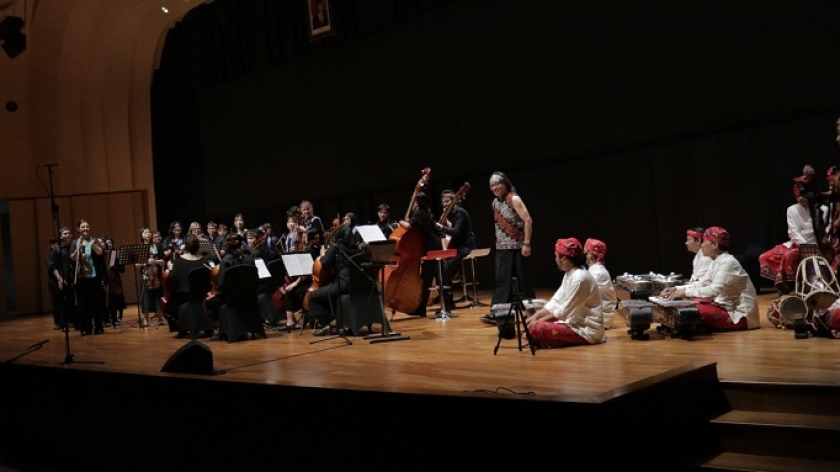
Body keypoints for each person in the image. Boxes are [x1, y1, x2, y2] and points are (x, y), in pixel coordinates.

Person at [661, 227, 760, 331]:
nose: (702, 245)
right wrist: (677, 289)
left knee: (693, 310)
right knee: (691, 303)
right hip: (726, 308)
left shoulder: (728, 263)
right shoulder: (717, 261)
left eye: (704, 241)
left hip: (741, 316)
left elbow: (713, 291)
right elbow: (703, 283)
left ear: (714, 245)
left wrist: (685, 293)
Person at [525, 238, 606, 348]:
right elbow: (556, 301)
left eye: (556, 256)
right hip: (572, 322)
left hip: (586, 329)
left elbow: (564, 312)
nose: (555, 259)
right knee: (535, 321)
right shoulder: (571, 273)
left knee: (538, 329)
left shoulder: (580, 278)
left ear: (564, 259)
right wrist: (536, 316)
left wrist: (538, 322)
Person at [759, 167, 827, 293]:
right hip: (798, 245)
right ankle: (783, 284)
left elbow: (825, 232)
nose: (801, 200)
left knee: (789, 256)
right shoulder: (792, 210)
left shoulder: (822, 209)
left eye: (804, 197)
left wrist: (815, 247)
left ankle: (790, 289)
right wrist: (804, 246)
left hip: (816, 247)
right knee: (765, 256)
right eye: (798, 198)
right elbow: (793, 232)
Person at [481, 171, 536, 324]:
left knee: (523, 281)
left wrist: (526, 243)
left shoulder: (514, 199)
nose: (494, 188)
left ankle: (532, 313)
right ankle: (499, 314)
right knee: (501, 281)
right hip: (502, 248)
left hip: (518, 247)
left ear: (505, 183)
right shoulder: (494, 203)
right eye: (491, 186)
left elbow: (528, 220)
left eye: (497, 184)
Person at [307, 213, 362, 335]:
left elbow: (325, 264)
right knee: (327, 292)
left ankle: (326, 324)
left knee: (313, 296)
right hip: (357, 285)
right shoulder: (357, 248)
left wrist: (323, 254)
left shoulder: (337, 246)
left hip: (343, 284)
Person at [395, 192, 443, 317]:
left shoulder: (419, 213)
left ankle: (422, 309)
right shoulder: (427, 212)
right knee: (432, 277)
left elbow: (408, 225)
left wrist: (399, 221)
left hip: (431, 247)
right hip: (436, 245)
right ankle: (435, 307)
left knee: (427, 279)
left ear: (416, 202)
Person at [162, 234, 213, 337]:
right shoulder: (204, 262)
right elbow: (209, 279)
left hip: (182, 297)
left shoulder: (177, 263)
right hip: (200, 297)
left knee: (167, 308)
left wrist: (170, 268)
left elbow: (171, 279)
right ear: (198, 247)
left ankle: (181, 327)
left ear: (185, 246)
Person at [436, 188, 476, 308]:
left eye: (449, 200)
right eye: (444, 201)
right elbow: (449, 230)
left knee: (447, 267)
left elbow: (457, 232)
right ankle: (448, 301)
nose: (446, 203)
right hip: (456, 246)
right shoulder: (450, 214)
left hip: (465, 246)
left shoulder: (460, 212)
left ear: (455, 200)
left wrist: (441, 227)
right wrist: (445, 222)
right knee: (442, 267)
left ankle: (448, 302)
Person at [69, 219, 106, 335]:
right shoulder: (75, 242)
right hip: (81, 277)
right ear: (78, 229)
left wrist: (93, 244)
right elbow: (72, 258)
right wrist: (78, 249)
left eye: (87, 226)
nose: (85, 229)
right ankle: (85, 328)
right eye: (83, 227)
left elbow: (100, 253)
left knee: (96, 303)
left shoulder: (94, 240)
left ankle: (99, 327)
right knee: (83, 304)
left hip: (94, 277)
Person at [584, 238, 617, 329]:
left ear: (590, 254)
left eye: (585, 252)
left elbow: (582, 297)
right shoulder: (593, 270)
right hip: (596, 317)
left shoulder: (598, 273)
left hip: (600, 321)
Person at [46, 227, 74, 330]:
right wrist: (59, 279)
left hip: (68, 279)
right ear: (61, 236)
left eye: (69, 233)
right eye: (65, 233)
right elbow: (51, 265)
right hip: (57, 280)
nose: (68, 235)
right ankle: (61, 323)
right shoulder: (57, 250)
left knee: (69, 301)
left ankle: (70, 321)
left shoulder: (71, 248)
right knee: (60, 303)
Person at [140, 228, 166, 328]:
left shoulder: (157, 246)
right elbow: (137, 264)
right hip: (144, 275)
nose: (148, 234)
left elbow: (163, 261)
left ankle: (160, 318)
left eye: (149, 232)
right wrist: (145, 262)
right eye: (145, 233)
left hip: (156, 275)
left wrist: (154, 262)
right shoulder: (140, 247)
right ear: (141, 235)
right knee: (145, 298)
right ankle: (146, 320)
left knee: (158, 297)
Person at [101, 236, 127, 327]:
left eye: (110, 243)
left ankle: (115, 319)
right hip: (103, 278)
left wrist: (113, 267)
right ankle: (106, 319)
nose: (108, 245)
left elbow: (122, 269)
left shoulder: (114, 253)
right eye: (106, 243)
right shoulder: (100, 253)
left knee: (115, 299)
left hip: (114, 279)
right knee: (104, 300)